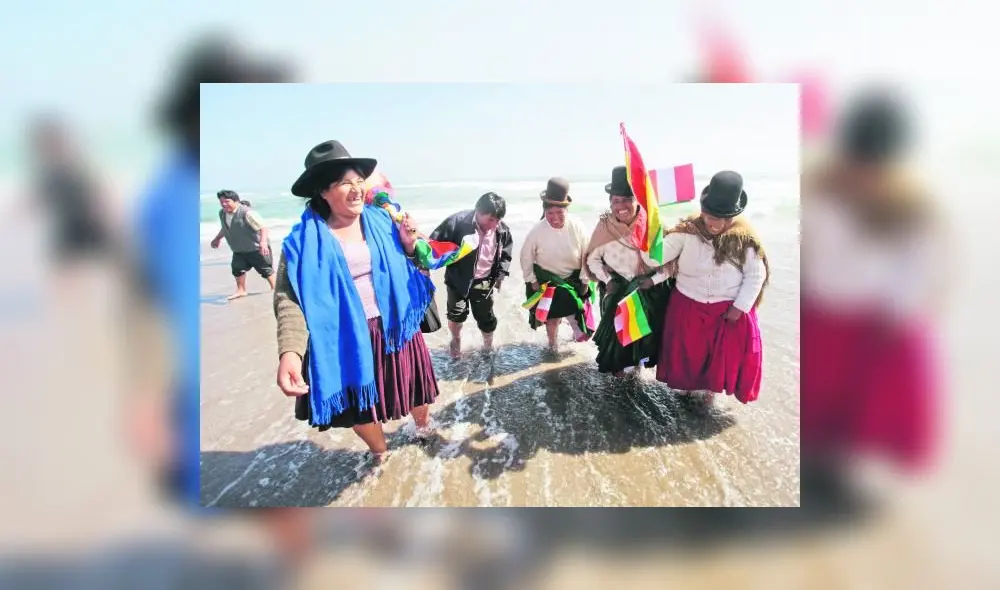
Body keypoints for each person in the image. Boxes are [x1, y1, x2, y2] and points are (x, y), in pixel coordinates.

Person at [800, 90, 941, 483]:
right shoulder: (819, 193)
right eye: (859, 162)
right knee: (819, 402)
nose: (866, 175)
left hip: (873, 326)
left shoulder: (910, 208)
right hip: (823, 317)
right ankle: (822, 460)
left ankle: (843, 468)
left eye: (876, 165)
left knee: (862, 408)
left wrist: (899, 316)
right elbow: (808, 250)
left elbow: (917, 268)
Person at [274, 140, 439, 465]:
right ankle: (380, 452)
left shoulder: (384, 219)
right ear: (323, 192)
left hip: (396, 328)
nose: (356, 189)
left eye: (359, 181)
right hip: (345, 338)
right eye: (344, 183)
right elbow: (288, 298)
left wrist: (409, 245)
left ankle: (422, 427)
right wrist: (290, 352)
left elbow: (418, 262)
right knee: (360, 408)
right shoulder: (300, 243)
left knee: (416, 388)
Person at [653, 170, 770, 407]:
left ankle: (709, 396)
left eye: (721, 217)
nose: (713, 222)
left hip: (725, 310)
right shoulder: (687, 232)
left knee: (715, 359)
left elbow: (756, 275)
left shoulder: (743, 240)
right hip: (687, 303)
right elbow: (655, 259)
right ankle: (686, 390)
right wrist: (650, 229)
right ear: (703, 210)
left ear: (732, 217)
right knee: (689, 354)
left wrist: (740, 307)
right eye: (710, 216)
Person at [586, 166, 674, 377]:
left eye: (627, 199)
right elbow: (592, 259)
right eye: (616, 201)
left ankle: (636, 371)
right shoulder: (604, 227)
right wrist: (607, 279)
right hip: (616, 291)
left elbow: (671, 264)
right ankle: (621, 380)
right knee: (617, 342)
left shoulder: (653, 226)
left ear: (637, 200)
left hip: (647, 292)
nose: (621, 206)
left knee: (642, 338)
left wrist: (653, 281)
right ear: (610, 204)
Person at [429, 192, 514, 359]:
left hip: (485, 281)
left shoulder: (502, 229)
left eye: (498, 220)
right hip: (458, 279)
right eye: (490, 219)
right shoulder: (457, 222)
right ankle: (455, 340)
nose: (494, 224)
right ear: (479, 211)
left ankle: (488, 346)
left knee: (486, 318)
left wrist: (500, 274)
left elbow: (506, 253)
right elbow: (432, 243)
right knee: (456, 313)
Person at [520, 177, 594, 352]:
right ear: (544, 212)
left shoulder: (577, 226)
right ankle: (553, 347)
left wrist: (584, 280)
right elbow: (525, 257)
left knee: (577, 314)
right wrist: (532, 280)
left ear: (566, 210)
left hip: (575, 277)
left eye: (559, 213)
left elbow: (587, 254)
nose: (554, 218)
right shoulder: (537, 231)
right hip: (548, 280)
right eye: (550, 213)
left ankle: (576, 344)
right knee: (552, 318)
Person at [210, 189, 276, 299]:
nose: (224, 204)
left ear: (236, 201)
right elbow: (226, 227)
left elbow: (263, 227)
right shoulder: (222, 213)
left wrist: (263, 243)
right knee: (237, 269)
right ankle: (241, 290)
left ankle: (275, 289)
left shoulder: (247, 212)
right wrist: (217, 238)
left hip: (255, 248)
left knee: (265, 269)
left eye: (227, 201)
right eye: (222, 202)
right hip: (238, 249)